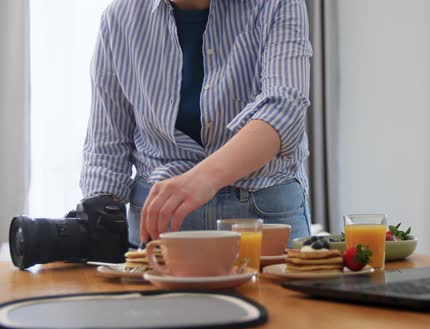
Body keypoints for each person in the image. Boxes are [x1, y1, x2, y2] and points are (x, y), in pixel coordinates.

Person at [80, 0, 312, 247]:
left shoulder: (276, 3)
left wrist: (203, 179)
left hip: (264, 215)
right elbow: (106, 148)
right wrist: (96, 223)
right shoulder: (118, 17)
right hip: (160, 223)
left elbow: (284, 110)